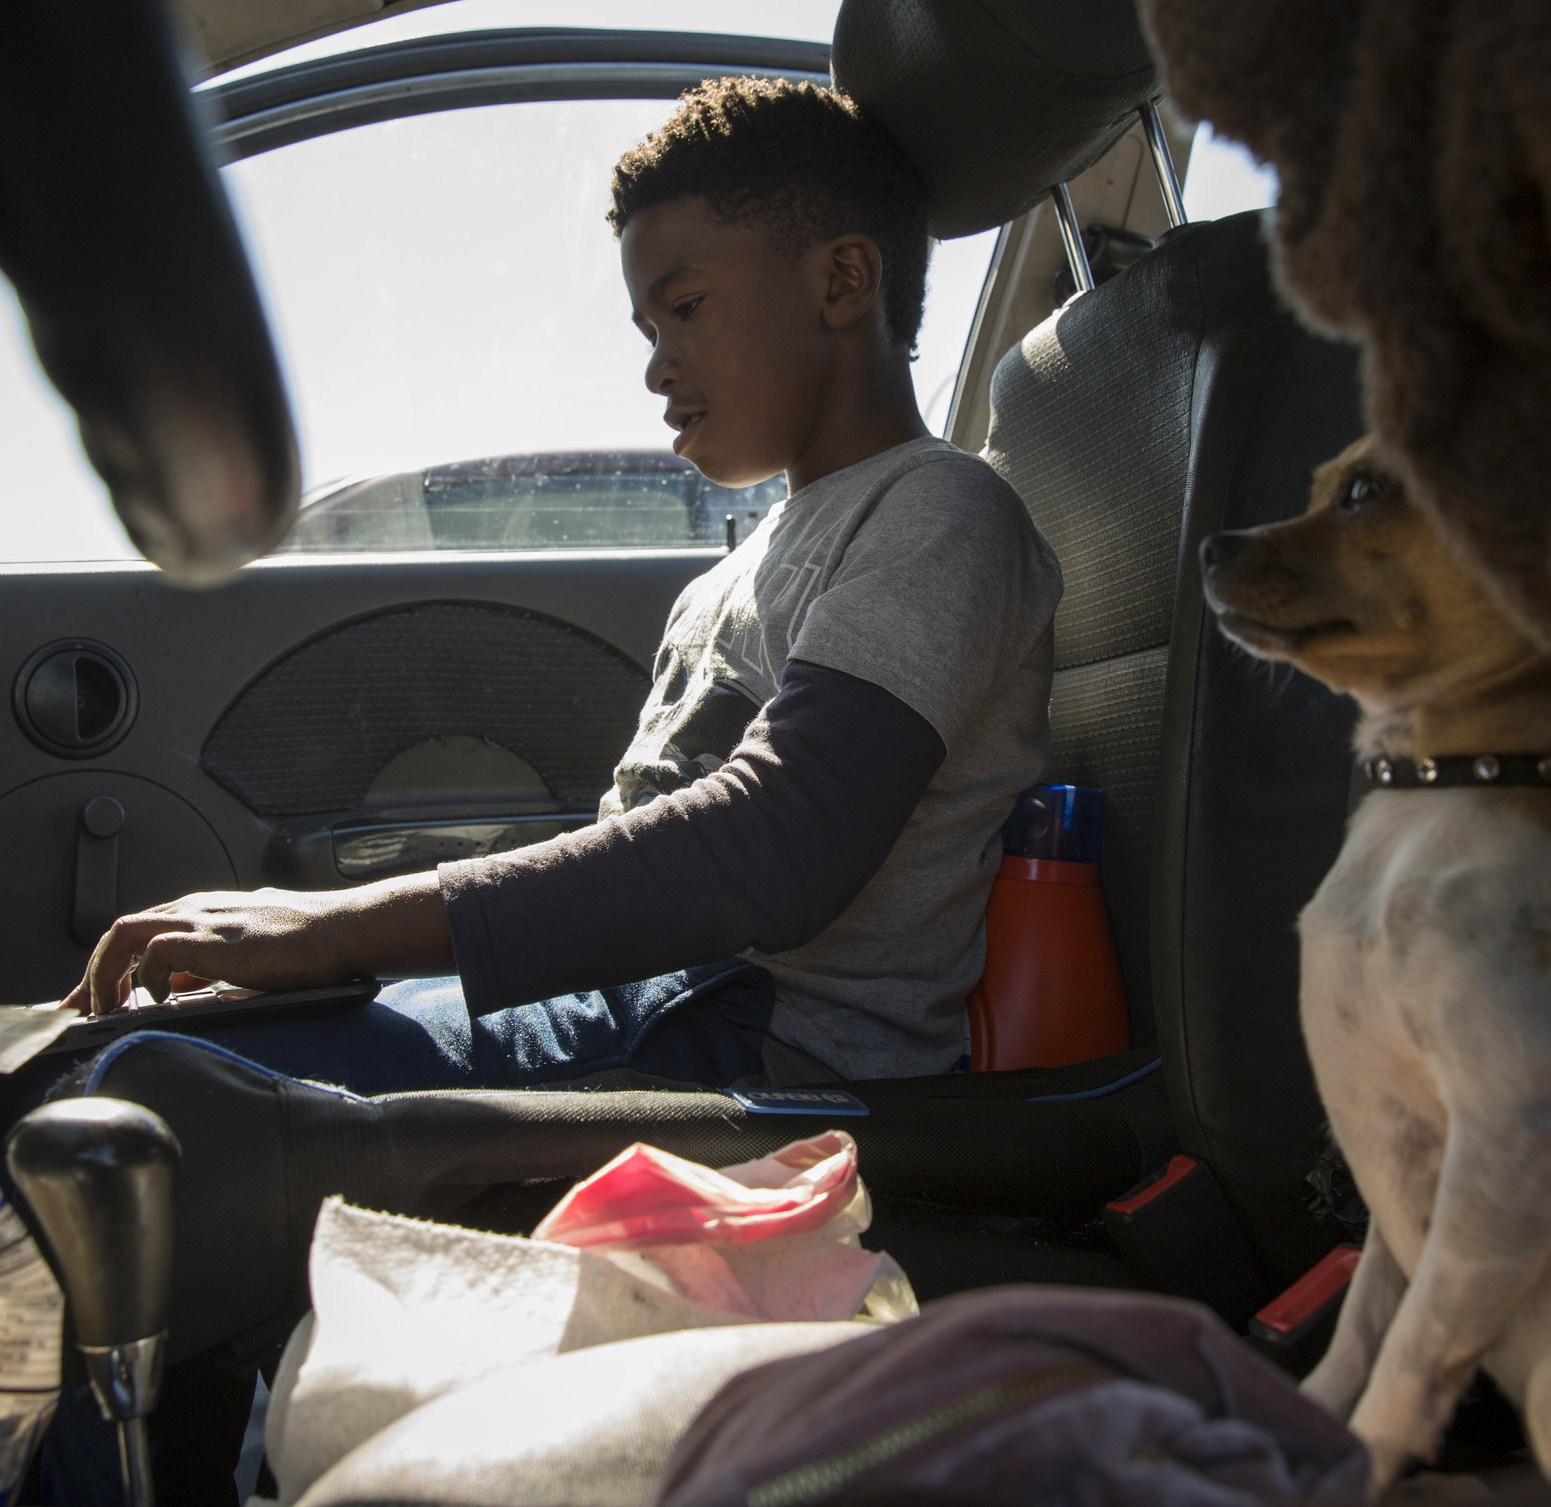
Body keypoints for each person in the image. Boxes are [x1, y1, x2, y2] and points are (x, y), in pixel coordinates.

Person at [63, 77, 1062, 1090]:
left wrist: (335, 930)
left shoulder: (941, 512)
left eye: (684, 307)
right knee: (123, 1048)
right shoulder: (732, 571)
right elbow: (636, 859)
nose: (656, 367)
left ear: (842, 280)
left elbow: (779, 845)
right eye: (646, 329)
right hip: (634, 1002)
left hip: (763, 1044)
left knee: (152, 1081)